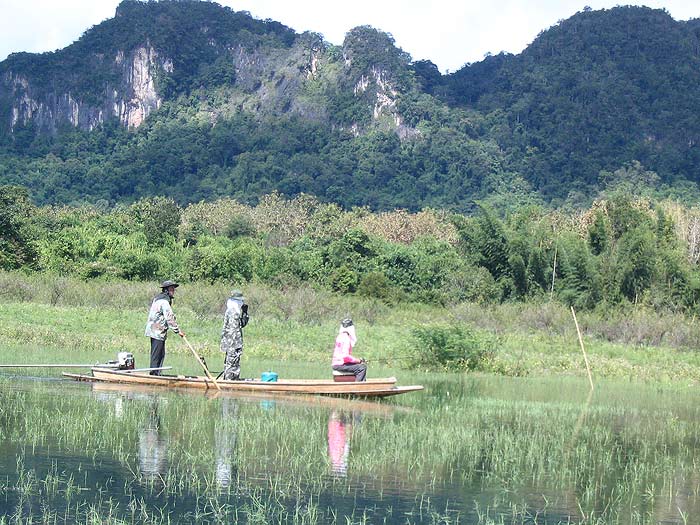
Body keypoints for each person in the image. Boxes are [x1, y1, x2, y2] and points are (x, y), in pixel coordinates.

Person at [144, 280, 185, 375]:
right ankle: (154, 375)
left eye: (173, 289)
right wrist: (178, 331)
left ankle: (156, 373)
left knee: (160, 354)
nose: (173, 291)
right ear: (166, 290)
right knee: (157, 355)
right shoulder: (164, 302)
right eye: (171, 289)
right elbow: (169, 318)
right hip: (157, 331)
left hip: (155, 330)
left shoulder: (158, 298)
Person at [220, 290, 249, 380]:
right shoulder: (232, 312)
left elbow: (241, 324)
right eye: (240, 301)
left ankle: (233, 379)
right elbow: (233, 331)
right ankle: (229, 381)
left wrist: (245, 313)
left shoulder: (235, 311)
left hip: (234, 342)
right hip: (232, 343)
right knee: (231, 362)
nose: (242, 303)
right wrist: (234, 347)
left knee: (234, 363)